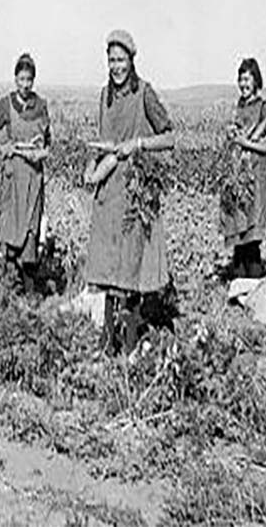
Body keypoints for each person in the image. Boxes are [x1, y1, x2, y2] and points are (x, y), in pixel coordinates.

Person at [84, 30, 175, 356]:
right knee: (108, 266)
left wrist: (137, 144)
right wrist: (90, 167)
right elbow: (102, 139)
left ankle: (131, 342)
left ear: (131, 60)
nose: (116, 66)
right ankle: (108, 341)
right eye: (111, 60)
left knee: (130, 267)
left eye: (121, 60)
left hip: (135, 190)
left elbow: (169, 136)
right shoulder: (104, 96)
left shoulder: (145, 94)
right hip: (109, 190)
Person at [0, 53, 51, 294]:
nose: (25, 85)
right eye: (21, 79)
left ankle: (30, 290)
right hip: (13, 173)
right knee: (12, 226)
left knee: (31, 228)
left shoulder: (41, 105)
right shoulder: (6, 103)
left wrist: (41, 153)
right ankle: (9, 289)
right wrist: (4, 148)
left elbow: (48, 143)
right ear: (15, 79)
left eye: (29, 80)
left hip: (33, 174)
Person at [220, 58, 266, 279]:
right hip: (238, 175)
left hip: (256, 176)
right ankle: (240, 278)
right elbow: (237, 135)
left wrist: (246, 143)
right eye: (240, 79)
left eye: (247, 79)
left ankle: (253, 279)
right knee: (238, 228)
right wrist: (231, 134)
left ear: (256, 80)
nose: (243, 84)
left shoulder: (264, 108)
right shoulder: (239, 106)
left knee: (252, 236)